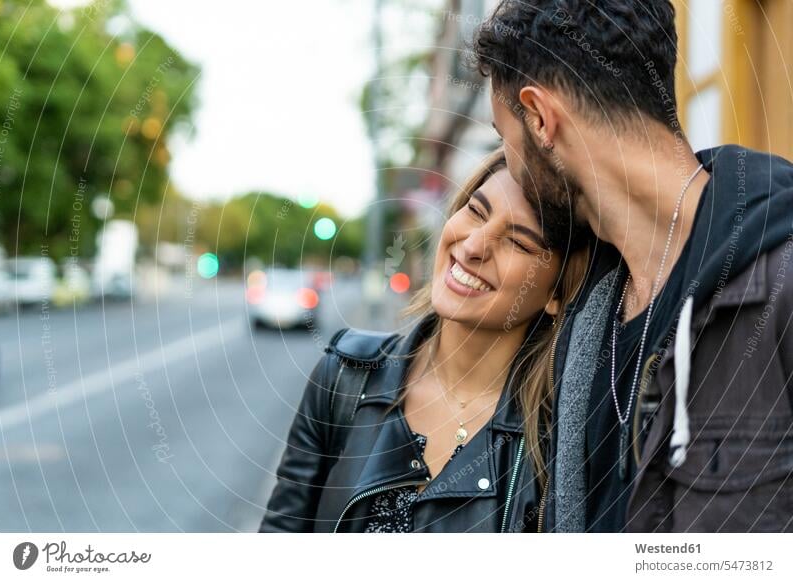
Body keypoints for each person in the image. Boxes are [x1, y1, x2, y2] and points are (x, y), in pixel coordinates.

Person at [473, 0, 793, 532]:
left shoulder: (779, 275)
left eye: (503, 135)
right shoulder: (585, 308)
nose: (507, 159)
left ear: (539, 116)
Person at [259, 149, 589, 532]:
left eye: (518, 241)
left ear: (557, 292)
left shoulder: (558, 441)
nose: (472, 246)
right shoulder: (345, 375)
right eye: (477, 212)